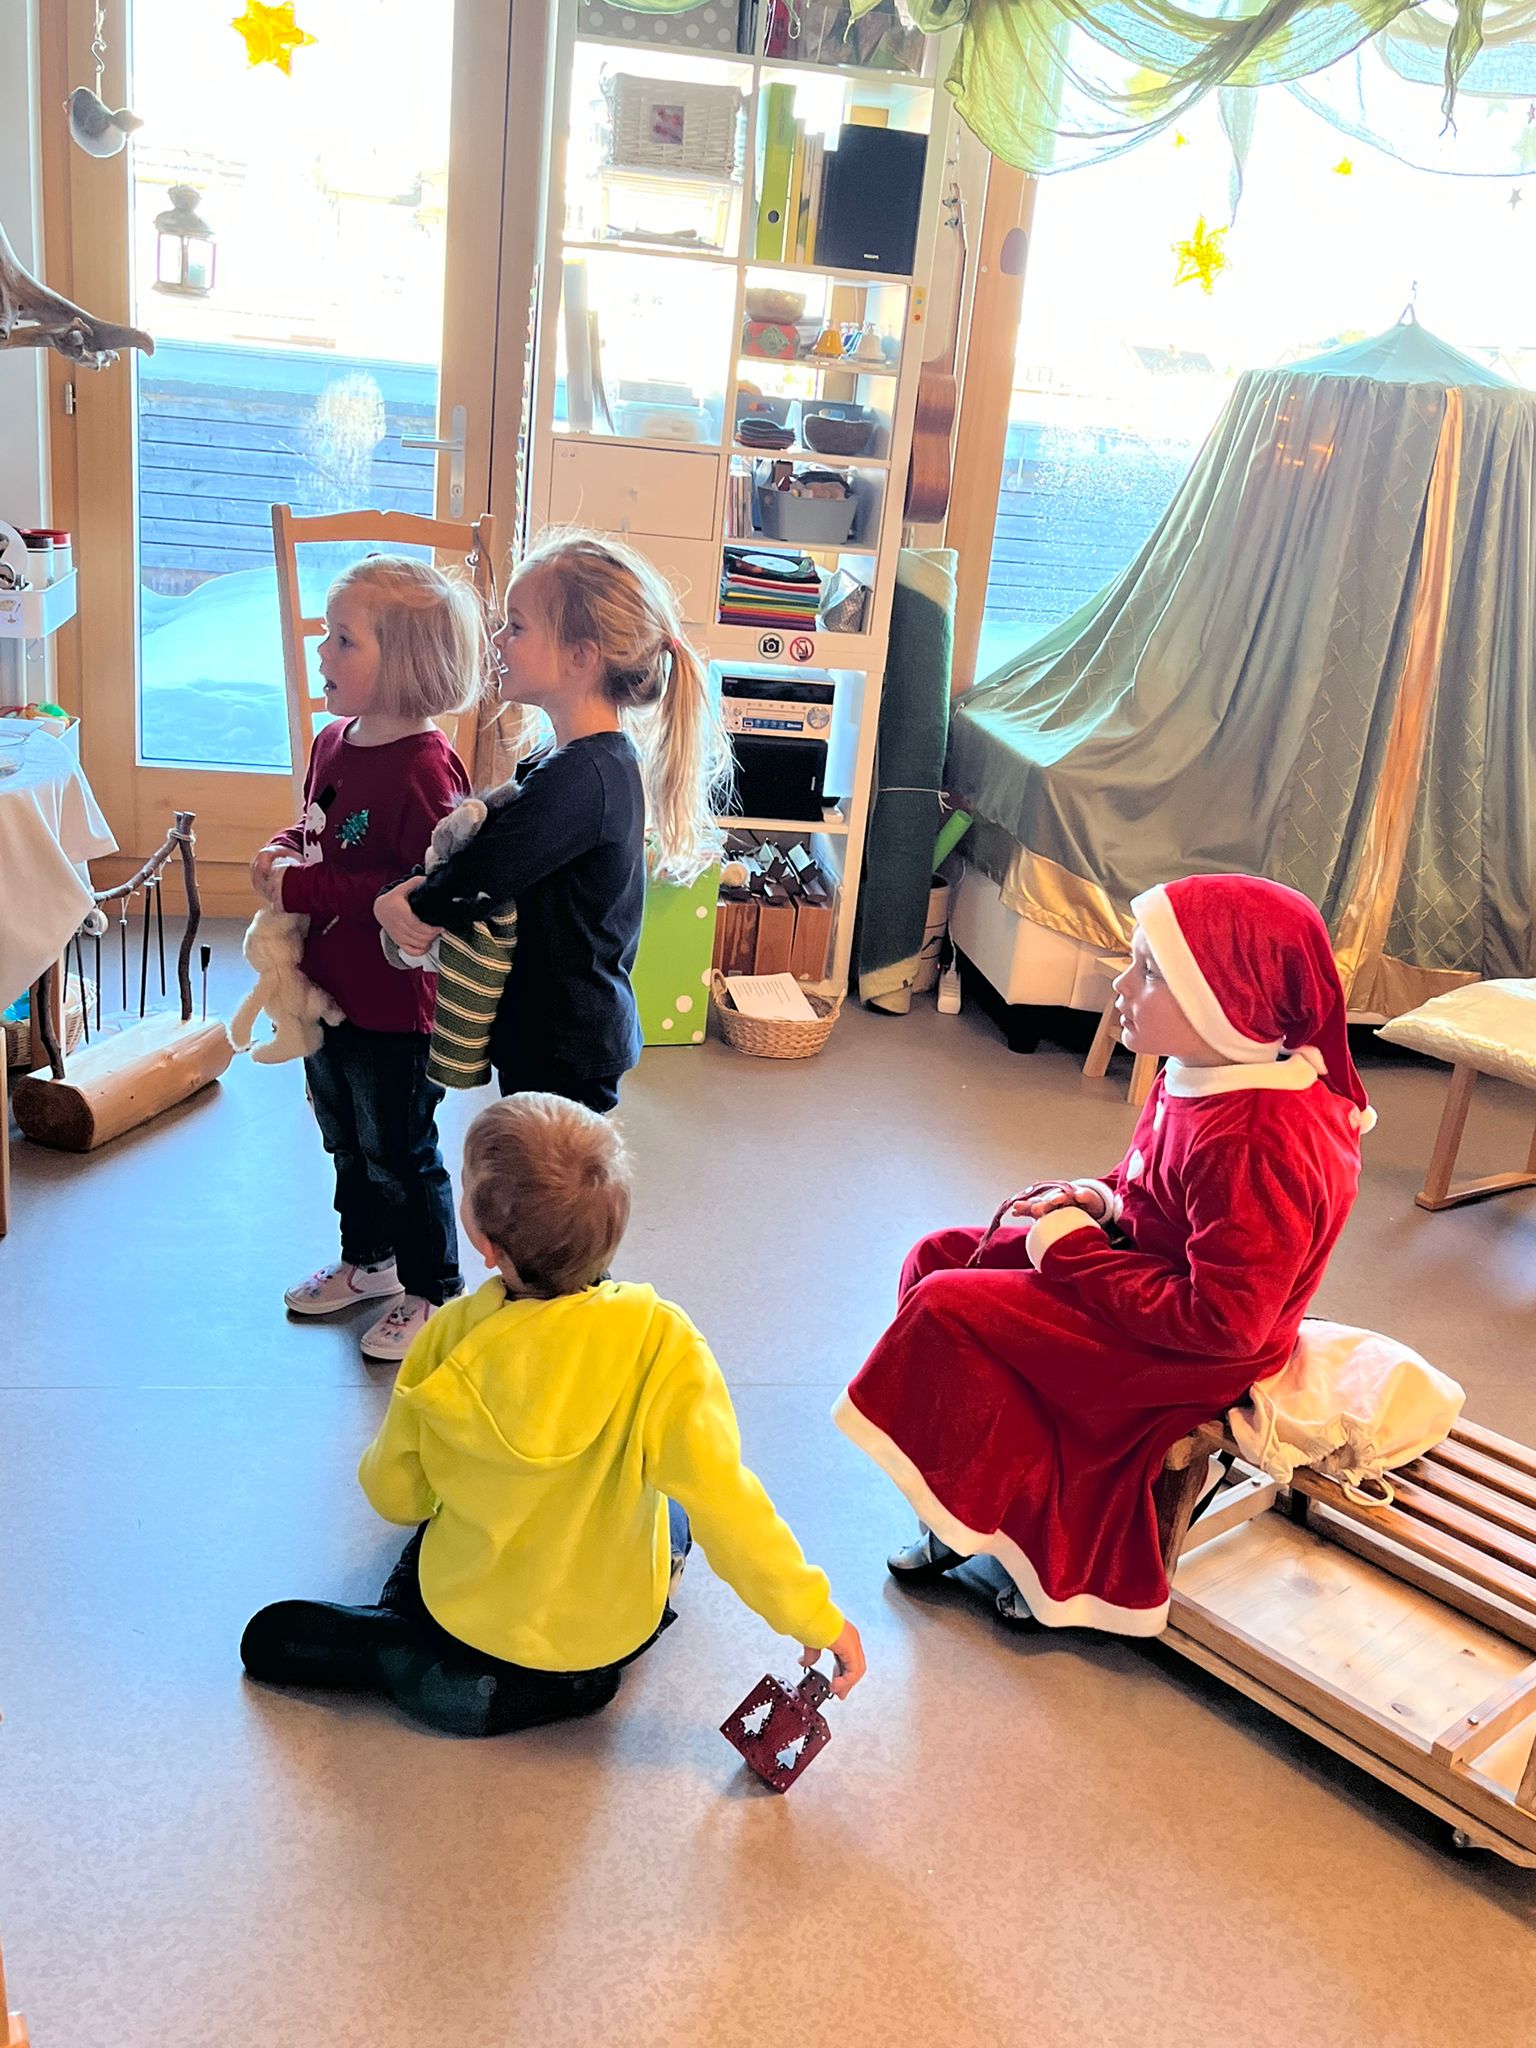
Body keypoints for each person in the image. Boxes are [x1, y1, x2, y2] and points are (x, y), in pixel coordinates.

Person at [835, 873, 1374, 1637]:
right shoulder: (1203, 1071)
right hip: (1151, 1284)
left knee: (947, 1308)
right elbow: (1151, 1184)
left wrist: (1076, 1255)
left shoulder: (1259, 1139)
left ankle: (1038, 1544)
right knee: (937, 1257)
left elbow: (1224, 1325)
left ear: (1227, 1003)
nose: (1122, 984)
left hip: (1192, 1352)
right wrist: (1100, 1201)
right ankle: (975, 1506)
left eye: (1150, 971)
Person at [240, 1093, 865, 1737]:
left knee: (431, 1546)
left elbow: (395, 1496)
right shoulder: (662, 1343)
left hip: (461, 1609)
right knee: (677, 1513)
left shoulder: (447, 1337)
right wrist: (814, 1616)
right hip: (597, 1641)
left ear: (484, 1243)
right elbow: (731, 1509)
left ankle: (401, 1636)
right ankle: (500, 1689)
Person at [374, 531, 728, 1111]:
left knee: (547, 1169)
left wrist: (401, 904)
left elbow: (480, 876)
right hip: (555, 1032)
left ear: (581, 657)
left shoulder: (583, 778)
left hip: (566, 1044)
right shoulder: (575, 762)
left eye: (516, 627)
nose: (498, 640)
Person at [250, 556, 481, 1363]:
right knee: (344, 1138)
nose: (322, 651)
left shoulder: (424, 768)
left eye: (343, 640)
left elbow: (421, 887)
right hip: (330, 993)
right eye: (327, 634)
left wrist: (302, 886)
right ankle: (370, 1261)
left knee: (399, 1150)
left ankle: (433, 1288)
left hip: (394, 1007)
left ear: (406, 664)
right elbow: (314, 826)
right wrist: (280, 850)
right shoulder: (332, 742)